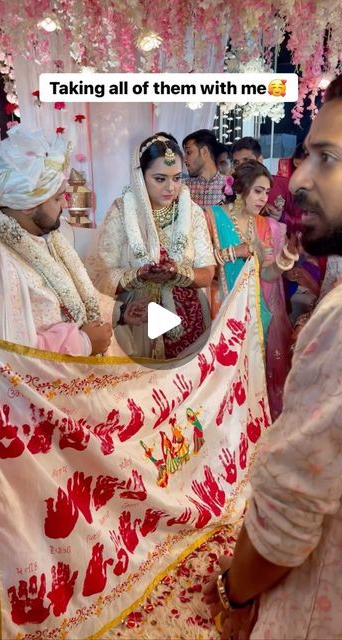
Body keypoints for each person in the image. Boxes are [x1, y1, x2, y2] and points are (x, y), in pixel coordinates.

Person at [203, 73, 342, 640]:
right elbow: (211, 270)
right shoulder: (215, 218)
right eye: (307, 155)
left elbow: (288, 515)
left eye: (327, 157)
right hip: (232, 309)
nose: (298, 178)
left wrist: (232, 595)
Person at [0, 125, 146, 358]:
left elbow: (80, 298)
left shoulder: (49, 239)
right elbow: (7, 353)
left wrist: (120, 312)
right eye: (59, 198)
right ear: (28, 205)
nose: (66, 205)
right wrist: (84, 343)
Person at [86, 135, 215, 359]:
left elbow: (207, 273)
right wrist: (137, 275)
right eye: (160, 179)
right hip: (138, 320)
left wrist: (178, 273)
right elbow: (99, 276)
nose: (171, 187)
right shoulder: (122, 211)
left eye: (177, 178)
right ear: (140, 177)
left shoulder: (192, 212)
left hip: (189, 321)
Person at [205, 160, 298, 420]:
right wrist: (236, 252)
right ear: (241, 188)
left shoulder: (263, 225)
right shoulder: (211, 217)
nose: (264, 198)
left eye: (266, 192)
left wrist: (283, 261)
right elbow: (201, 266)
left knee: (251, 383)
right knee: (222, 383)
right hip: (220, 310)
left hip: (254, 313)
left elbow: (266, 274)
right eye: (258, 190)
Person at [182, 129, 226, 207]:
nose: (184, 159)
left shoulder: (229, 186)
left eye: (188, 152)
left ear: (204, 152)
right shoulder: (183, 187)